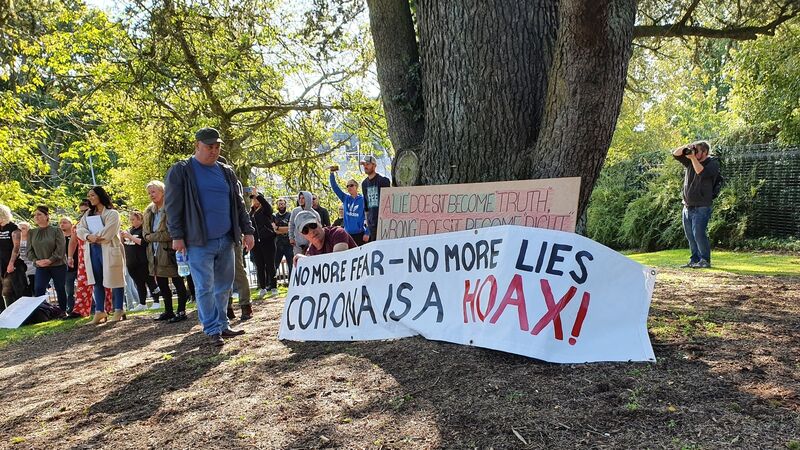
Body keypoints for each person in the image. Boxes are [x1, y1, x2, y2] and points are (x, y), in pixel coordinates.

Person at [165, 127, 254, 346]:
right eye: (209, 147)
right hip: (198, 241)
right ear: (197, 145)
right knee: (204, 286)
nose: (214, 151)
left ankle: (223, 325)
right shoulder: (181, 171)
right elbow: (173, 206)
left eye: (217, 147)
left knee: (224, 286)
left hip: (226, 238)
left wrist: (248, 230)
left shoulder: (226, 171)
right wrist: (177, 235)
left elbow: (239, 204)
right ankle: (212, 328)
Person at [76, 186, 126, 323]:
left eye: (93, 195)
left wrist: (94, 237)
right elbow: (79, 229)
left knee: (115, 279)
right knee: (97, 281)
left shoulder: (112, 214)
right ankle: (99, 311)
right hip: (93, 250)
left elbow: (109, 232)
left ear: (100, 196)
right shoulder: (88, 214)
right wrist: (88, 236)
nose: (90, 198)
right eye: (89, 196)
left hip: (109, 249)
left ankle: (119, 309)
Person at [142, 180, 190, 323]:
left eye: (154, 192)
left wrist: (151, 237)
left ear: (163, 192)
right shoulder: (149, 211)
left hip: (170, 251)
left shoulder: (171, 209)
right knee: (162, 282)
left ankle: (181, 310)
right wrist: (151, 237)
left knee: (177, 281)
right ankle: (168, 310)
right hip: (154, 252)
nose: (151, 195)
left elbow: (170, 234)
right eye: (149, 193)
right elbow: (145, 234)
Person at [672, 141, 721, 268]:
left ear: (705, 152)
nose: (694, 152)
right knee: (690, 236)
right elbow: (675, 154)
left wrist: (693, 158)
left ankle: (705, 260)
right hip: (687, 206)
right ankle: (694, 260)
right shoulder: (690, 161)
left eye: (697, 150)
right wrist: (687, 147)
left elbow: (701, 172)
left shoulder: (713, 163)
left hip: (702, 206)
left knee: (699, 234)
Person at [26, 206, 68, 313]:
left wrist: (50, 260)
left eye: (39, 214)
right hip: (41, 266)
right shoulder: (31, 232)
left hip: (58, 265)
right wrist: (36, 261)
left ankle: (63, 311)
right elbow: (29, 251)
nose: (36, 217)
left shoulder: (56, 230)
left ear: (47, 216)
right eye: (35, 215)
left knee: (60, 288)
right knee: (39, 288)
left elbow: (61, 248)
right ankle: (41, 313)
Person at [120, 211, 154, 312]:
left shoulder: (143, 230)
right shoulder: (130, 230)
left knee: (149, 281)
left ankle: (156, 301)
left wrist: (130, 237)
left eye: (133, 219)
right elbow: (125, 244)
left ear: (140, 219)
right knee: (139, 283)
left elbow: (144, 243)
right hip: (131, 262)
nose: (131, 222)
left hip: (142, 261)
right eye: (130, 220)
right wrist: (122, 237)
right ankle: (142, 303)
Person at [248, 187, 278, 299]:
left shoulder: (265, 210)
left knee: (270, 264)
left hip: (268, 240)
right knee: (259, 266)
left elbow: (268, 207)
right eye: (253, 198)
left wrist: (258, 195)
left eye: (256, 198)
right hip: (256, 243)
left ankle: (274, 287)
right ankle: (263, 288)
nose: (255, 200)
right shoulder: (250, 213)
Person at [329, 168, 369, 245]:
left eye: (351, 185)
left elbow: (369, 217)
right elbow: (335, 188)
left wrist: (367, 232)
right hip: (347, 234)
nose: (349, 187)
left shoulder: (363, 200)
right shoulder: (345, 198)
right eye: (347, 186)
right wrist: (331, 174)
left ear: (356, 187)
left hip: (359, 234)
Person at [0, 204, 26, 311]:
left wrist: (11, 263)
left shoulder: (14, 228)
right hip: (1, 264)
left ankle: (21, 313)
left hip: (13, 264)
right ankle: (4, 314)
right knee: (5, 292)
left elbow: (16, 247)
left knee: (16, 290)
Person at [360, 155, 391, 242]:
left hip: (384, 222)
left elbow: (389, 201)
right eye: (364, 164)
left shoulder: (383, 181)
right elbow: (366, 206)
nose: (365, 166)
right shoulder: (364, 184)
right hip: (372, 224)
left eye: (368, 164)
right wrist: (367, 225)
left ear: (374, 165)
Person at [288, 191, 319, 256]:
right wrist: (291, 238)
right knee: (298, 260)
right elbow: (291, 225)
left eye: (303, 198)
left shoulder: (315, 214)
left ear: (308, 199)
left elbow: (318, 229)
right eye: (300, 198)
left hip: (311, 243)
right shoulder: (295, 211)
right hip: (297, 243)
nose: (301, 200)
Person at [59, 217, 78, 314]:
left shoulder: (76, 236)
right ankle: (70, 309)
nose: (62, 224)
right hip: (67, 268)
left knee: (85, 287)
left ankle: (91, 307)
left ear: (71, 224)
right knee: (69, 291)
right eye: (60, 223)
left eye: (65, 222)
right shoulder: (59, 238)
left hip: (79, 265)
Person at [273, 198, 293, 281]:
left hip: (289, 244)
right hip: (278, 244)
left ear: (285, 205)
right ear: (277, 206)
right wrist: (283, 229)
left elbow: (290, 228)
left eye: (283, 204)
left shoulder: (290, 215)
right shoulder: (274, 216)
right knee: (275, 265)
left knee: (291, 265)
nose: (281, 205)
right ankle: (272, 283)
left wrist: (278, 228)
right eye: (280, 204)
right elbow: (274, 230)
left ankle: (291, 283)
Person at [16, 222, 36, 296]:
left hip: (33, 269)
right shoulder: (15, 241)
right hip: (21, 270)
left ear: (28, 230)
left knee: (35, 290)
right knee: (24, 292)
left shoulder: (33, 241)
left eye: (23, 228)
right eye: (19, 229)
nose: (21, 230)